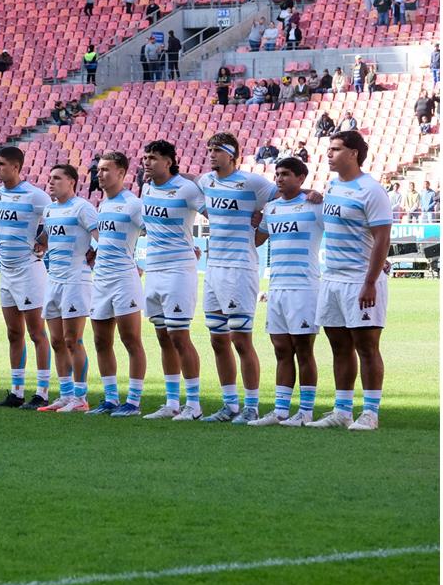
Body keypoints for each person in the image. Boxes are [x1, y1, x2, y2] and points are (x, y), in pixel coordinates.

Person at [306, 131, 391, 431]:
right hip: (332, 279)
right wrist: (315, 195)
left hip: (360, 280)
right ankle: (342, 410)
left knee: (366, 346)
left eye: (336, 149)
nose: (329, 154)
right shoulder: (332, 186)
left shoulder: (372, 190)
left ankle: (370, 412)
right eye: (328, 149)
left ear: (354, 153)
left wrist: (370, 281)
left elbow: (382, 238)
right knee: (338, 345)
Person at [195, 132, 278, 423]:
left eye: (217, 150)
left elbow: (284, 197)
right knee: (218, 340)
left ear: (232, 155)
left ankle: (251, 406)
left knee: (242, 340)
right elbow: (188, 184)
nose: (211, 154)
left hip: (240, 269)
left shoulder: (253, 182)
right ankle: (229, 405)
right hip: (213, 268)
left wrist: (264, 222)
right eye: (209, 149)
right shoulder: (206, 181)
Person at [249, 158, 324, 426]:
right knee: (281, 349)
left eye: (286, 174)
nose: (279, 179)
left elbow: (341, 229)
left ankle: (305, 412)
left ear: (301, 178)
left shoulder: (316, 206)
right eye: (277, 174)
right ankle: (281, 411)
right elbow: (258, 239)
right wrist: (253, 221)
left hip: (304, 287)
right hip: (277, 287)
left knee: (303, 350)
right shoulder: (271, 208)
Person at [138, 141, 206, 420]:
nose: (147, 162)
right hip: (153, 270)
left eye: (153, 158)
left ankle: (194, 404)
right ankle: (171, 402)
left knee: (180, 336)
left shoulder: (187, 189)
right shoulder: (146, 188)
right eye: (145, 157)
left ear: (169, 161)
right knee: (163, 337)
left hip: (178, 271)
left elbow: (213, 213)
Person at [87, 152, 148, 416]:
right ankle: (110, 399)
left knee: (131, 340)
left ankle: (133, 402)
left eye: (105, 170)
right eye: (98, 170)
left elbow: (153, 230)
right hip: (100, 278)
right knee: (101, 341)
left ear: (121, 173)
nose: (99, 174)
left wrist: (143, 262)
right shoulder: (102, 205)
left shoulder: (133, 204)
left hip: (124, 279)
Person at [0, 147, 53, 409]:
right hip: (7, 272)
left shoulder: (35, 195)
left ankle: (42, 391)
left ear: (16, 167)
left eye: (2, 164)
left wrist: (43, 240)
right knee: (13, 333)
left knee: (36, 332)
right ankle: (16, 392)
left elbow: (57, 216)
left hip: (29, 271)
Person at [37, 164, 98, 413]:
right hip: (54, 279)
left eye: (57, 178)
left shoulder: (83, 208)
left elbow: (100, 236)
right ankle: (64, 394)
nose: (50, 182)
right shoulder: (49, 210)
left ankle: (81, 397)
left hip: (76, 279)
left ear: (71, 181)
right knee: (57, 341)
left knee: (73, 340)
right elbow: (47, 237)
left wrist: (97, 254)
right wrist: (36, 244)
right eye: (49, 177)